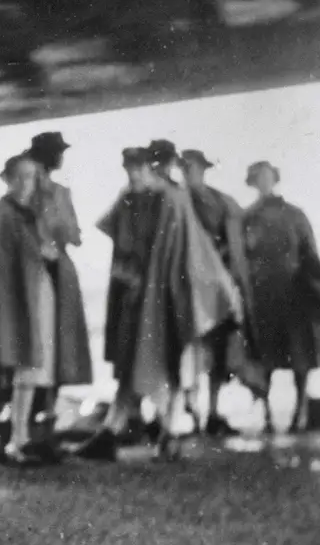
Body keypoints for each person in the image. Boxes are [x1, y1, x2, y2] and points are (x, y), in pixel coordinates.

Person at [79, 147, 241, 462]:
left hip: (166, 296)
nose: (133, 176)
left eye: (139, 169)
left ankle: (161, 431)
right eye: (129, 170)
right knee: (138, 361)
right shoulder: (136, 198)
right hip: (144, 296)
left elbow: (185, 251)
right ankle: (125, 430)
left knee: (167, 359)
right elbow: (126, 243)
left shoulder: (171, 199)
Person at [0, 154, 91, 466]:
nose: (26, 184)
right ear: (9, 180)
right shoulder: (8, 213)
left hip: (35, 299)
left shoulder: (25, 212)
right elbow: (6, 262)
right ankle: (17, 439)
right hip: (22, 303)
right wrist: (42, 254)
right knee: (26, 369)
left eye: (31, 177)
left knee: (33, 369)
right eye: (21, 177)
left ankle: (21, 437)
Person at [181, 149, 267, 436]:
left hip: (219, 289)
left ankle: (213, 413)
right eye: (186, 168)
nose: (190, 173)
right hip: (188, 287)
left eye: (195, 168)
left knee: (219, 352)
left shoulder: (222, 201)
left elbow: (240, 241)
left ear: (204, 170)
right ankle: (192, 413)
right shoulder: (178, 200)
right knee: (189, 353)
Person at [19, 132, 93, 445]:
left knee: (54, 347)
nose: (62, 157)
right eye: (59, 152)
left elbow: (73, 235)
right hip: (51, 269)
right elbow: (73, 235)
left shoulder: (47, 191)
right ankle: (40, 419)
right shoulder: (48, 192)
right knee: (49, 347)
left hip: (55, 270)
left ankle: (38, 421)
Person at [242, 161, 320, 433]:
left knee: (300, 357)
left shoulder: (295, 215)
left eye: (267, 177)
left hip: (293, 293)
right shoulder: (247, 218)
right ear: (252, 183)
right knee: (264, 358)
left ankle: (300, 412)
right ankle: (266, 415)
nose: (264, 182)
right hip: (261, 296)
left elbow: (310, 252)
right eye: (258, 178)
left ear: (275, 179)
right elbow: (238, 256)